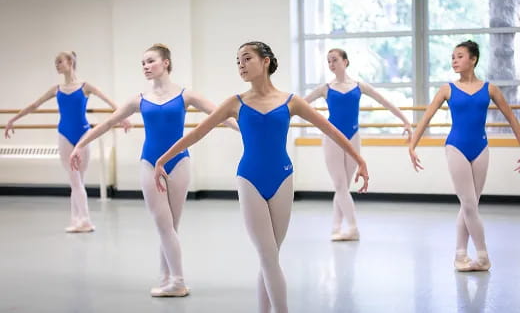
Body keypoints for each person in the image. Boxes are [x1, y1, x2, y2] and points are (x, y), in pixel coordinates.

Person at [153, 41, 369, 313]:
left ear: (265, 61)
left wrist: (359, 159)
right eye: (238, 61)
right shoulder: (236, 102)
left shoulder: (291, 101)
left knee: (270, 258)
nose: (241, 65)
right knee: (268, 256)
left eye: (247, 59)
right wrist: (162, 159)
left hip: (283, 178)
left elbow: (330, 129)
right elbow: (197, 133)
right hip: (250, 180)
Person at [70, 43, 237, 297]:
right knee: (163, 224)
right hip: (149, 164)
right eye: (143, 63)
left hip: (179, 162)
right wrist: (80, 145)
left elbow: (220, 115)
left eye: (150, 61)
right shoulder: (139, 99)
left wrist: (247, 130)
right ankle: (175, 280)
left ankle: (170, 278)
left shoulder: (186, 95)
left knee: (171, 226)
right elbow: (108, 123)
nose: (146, 67)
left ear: (166, 63)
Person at [409, 40, 520, 271]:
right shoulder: (447, 89)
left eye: (459, 56)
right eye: (452, 57)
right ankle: (483, 256)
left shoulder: (490, 89)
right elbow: (426, 118)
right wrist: (412, 145)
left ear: (473, 59)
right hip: (456, 147)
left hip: (481, 148)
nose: (454, 61)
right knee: (469, 204)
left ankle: (460, 255)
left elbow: (511, 118)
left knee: (470, 204)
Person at [4, 51, 131, 233]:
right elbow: (34, 105)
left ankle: (80, 220)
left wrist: (123, 117)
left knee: (78, 180)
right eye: (55, 62)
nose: (56, 65)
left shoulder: (85, 87)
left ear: (70, 62)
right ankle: (81, 220)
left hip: (84, 135)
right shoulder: (56, 89)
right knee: (75, 180)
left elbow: (109, 101)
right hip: (64, 135)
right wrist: (13, 119)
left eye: (59, 61)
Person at [305, 48, 412, 241]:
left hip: (353, 137)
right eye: (328, 61)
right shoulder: (325, 88)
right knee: (340, 185)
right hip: (332, 139)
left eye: (335, 60)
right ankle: (353, 228)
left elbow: (385, 101)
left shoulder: (359, 86)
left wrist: (404, 119)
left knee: (343, 186)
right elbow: (300, 104)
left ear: (345, 61)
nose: (331, 64)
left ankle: (336, 227)